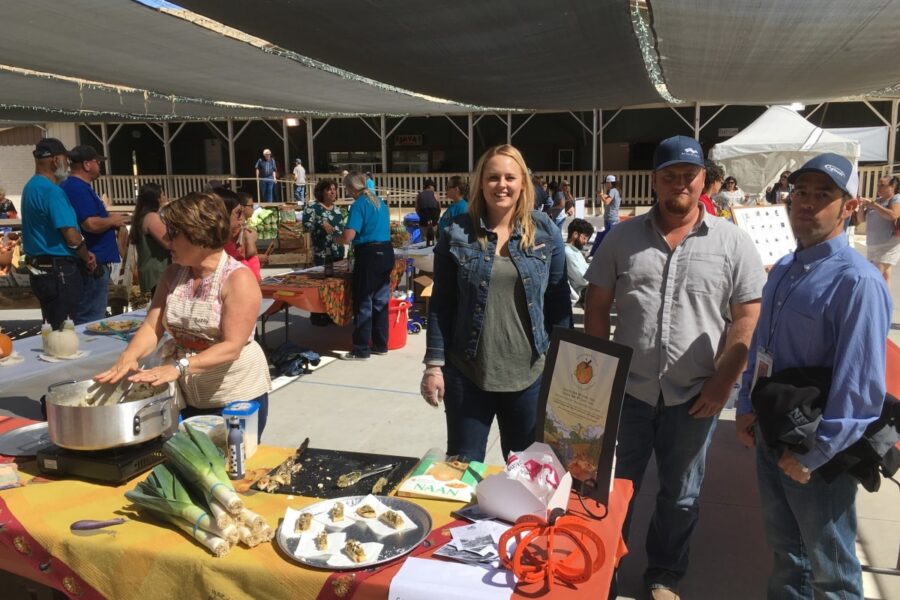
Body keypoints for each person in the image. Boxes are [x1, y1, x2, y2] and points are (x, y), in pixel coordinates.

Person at [584, 135, 765, 600]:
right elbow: (598, 306)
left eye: (689, 175)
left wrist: (724, 384)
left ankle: (664, 575)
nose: (679, 184)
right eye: (670, 175)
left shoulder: (733, 243)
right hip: (629, 392)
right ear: (654, 180)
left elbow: (747, 319)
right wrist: (596, 377)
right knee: (611, 489)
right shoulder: (620, 237)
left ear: (704, 178)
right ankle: (601, 571)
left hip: (695, 397)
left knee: (680, 496)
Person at [735, 153, 892, 600]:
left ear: (850, 206)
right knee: (786, 553)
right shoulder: (784, 269)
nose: (806, 202)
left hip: (818, 448)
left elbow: (860, 386)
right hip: (773, 430)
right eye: (800, 192)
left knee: (832, 570)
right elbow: (762, 347)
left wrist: (815, 455)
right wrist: (747, 404)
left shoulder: (857, 282)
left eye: (824, 195)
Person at [421, 144, 572, 463]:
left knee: (527, 478)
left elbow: (558, 300)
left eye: (509, 177)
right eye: (492, 177)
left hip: (529, 374)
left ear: (522, 183)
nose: (501, 184)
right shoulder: (456, 231)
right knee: (463, 471)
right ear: (480, 183)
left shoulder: (546, 232)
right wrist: (434, 365)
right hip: (468, 372)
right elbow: (442, 302)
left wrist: (566, 367)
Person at [95, 192, 271, 440]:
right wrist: (128, 356)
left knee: (233, 467)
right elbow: (151, 327)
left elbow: (232, 347)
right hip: (189, 395)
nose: (167, 240)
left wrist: (180, 366)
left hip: (234, 397)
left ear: (199, 236)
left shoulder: (238, 279)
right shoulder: (173, 274)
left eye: (173, 233)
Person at [21, 138, 96, 329]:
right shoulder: (51, 191)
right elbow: (71, 235)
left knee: (53, 327)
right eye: (66, 159)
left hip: (41, 269)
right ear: (56, 160)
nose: (68, 165)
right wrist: (86, 256)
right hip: (60, 270)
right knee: (67, 331)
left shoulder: (31, 187)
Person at [61, 145, 127, 324]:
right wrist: (112, 221)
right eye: (98, 162)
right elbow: (90, 224)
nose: (100, 166)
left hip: (91, 260)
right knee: (91, 317)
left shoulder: (75, 187)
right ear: (86, 165)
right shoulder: (77, 188)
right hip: (91, 262)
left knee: (88, 313)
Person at [338, 171, 393, 360]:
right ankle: (380, 344)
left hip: (369, 254)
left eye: (346, 187)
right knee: (380, 301)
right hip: (386, 252)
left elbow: (348, 237)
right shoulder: (379, 202)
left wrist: (335, 237)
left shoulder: (359, 204)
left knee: (364, 301)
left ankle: (361, 348)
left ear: (352, 188)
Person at [858, 175, 900, 286]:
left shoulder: (896, 198)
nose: (878, 187)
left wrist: (872, 204)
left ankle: (871, 302)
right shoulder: (877, 201)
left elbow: (893, 215)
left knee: (873, 276)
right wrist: (862, 206)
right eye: (878, 184)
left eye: (882, 185)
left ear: (892, 187)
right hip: (874, 244)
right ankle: (887, 302)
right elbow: (861, 219)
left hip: (888, 244)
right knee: (885, 276)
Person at [129, 183, 171, 297]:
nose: (165, 197)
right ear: (156, 198)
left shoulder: (142, 216)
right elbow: (168, 243)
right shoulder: (151, 217)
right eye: (163, 194)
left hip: (150, 270)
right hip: (158, 272)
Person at [215, 187, 261, 280]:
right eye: (238, 213)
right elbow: (254, 277)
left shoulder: (220, 244)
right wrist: (250, 244)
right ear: (223, 215)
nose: (240, 218)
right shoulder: (221, 247)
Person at [302, 178, 345, 266]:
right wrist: (320, 223)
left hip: (339, 255)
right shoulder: (312, 207)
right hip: (322, 256)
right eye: (329, 190)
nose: (333, 192)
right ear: (321, 192)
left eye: (334, 189)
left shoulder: (337, 210)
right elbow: (306, 226)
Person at [589, 174, 622, 256]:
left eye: (606, 183)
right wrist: (601, 194)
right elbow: (607, 197)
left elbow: (607, 202)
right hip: (611, 218)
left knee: (608, 239)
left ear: (610, 183)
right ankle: (597, 253)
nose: (605, 185)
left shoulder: (612, 191)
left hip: (611, 218)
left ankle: (603, 255)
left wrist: (600, 195)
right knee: (606, 238)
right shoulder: (615, 191)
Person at [564, 218, 594, 306]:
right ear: (575, 234)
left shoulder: (575, 251)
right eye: (584, 238)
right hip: (569, 299)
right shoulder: (568, 252)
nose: (585, 242)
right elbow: (583, 279)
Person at [415, 178, 440, 246]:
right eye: (433, 186)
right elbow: (439, 209)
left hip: (423, 222)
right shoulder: (436, 195)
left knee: (424, 241)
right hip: (434, 222)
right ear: (430, 186)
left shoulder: (419, 195)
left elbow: (417, 209)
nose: (434, 188)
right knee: (434, 242)